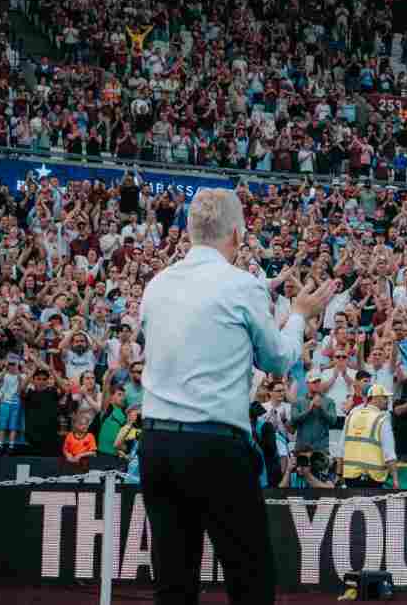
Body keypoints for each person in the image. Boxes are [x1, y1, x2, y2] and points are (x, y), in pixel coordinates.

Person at [138, 188, 337, 605]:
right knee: (250, 578)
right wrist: (299, 316)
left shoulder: (156, 285)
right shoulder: (242, 285)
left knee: (173, 581)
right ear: (236, 233)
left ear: (190, 230)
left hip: (156, 443)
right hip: (215, 444)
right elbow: (278, 361)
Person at [341, 383, 399, 489]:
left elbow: (341, 448)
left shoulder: (351, 415)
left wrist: (339, 474)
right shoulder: (382, 419)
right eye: (385, 397)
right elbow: (389, 453)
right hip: (373, 477)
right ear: (375, 398)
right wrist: (395, 478)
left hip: (350, 476)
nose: (387, 401)